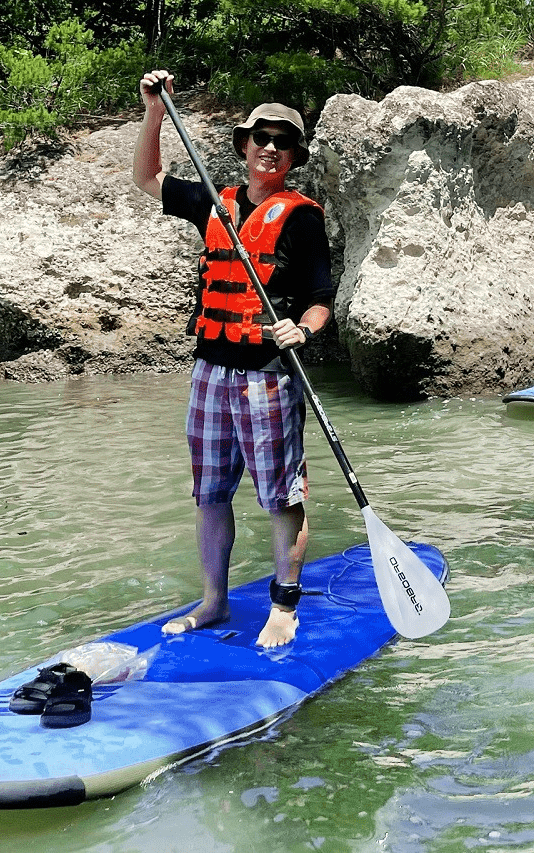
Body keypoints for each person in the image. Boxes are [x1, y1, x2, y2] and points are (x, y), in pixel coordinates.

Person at [132, 70, 334, 649]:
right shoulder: (211, 203)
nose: (270, 147)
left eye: (282, 141)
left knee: (282, 497)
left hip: (268, 377)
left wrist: (303, 329)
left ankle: (284, 607)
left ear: (293, 156)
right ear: (244, 145)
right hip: (209, 373)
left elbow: (321, 300)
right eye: (260, 138)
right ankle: (214, 600)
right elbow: (145, 177)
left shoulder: (302, 217)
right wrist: (154, 111)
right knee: (210, 492)